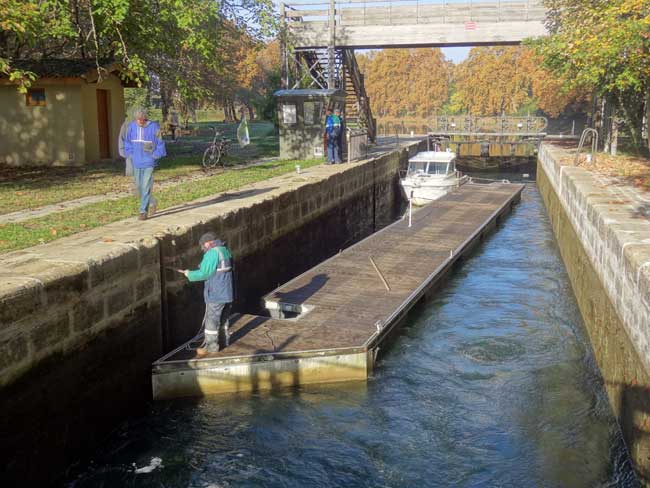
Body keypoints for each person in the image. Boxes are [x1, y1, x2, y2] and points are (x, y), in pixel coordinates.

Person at [181, 232, 234, 358]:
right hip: (227, 292)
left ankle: (211, 347)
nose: (203, 248)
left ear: (208, 242)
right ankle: (223, 342)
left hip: (216, 293)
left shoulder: (212, 253)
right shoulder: (224, 250)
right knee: (223, 319)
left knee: (212, 320)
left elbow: (205, 273)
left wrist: (189, 274)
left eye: (203, 245)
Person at [124, 108, 166, 220]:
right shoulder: (131, 127)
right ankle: (152, 202)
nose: (140, 122)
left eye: (142, 120)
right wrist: (130, 154)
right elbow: (127, 142)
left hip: (149, 162)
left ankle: (143, 211)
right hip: (136, 162)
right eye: (138, 120)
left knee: (146, 186)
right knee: (138, 188)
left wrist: (155, 155)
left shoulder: (154, 127)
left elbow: (160, 143)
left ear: (146, 119)